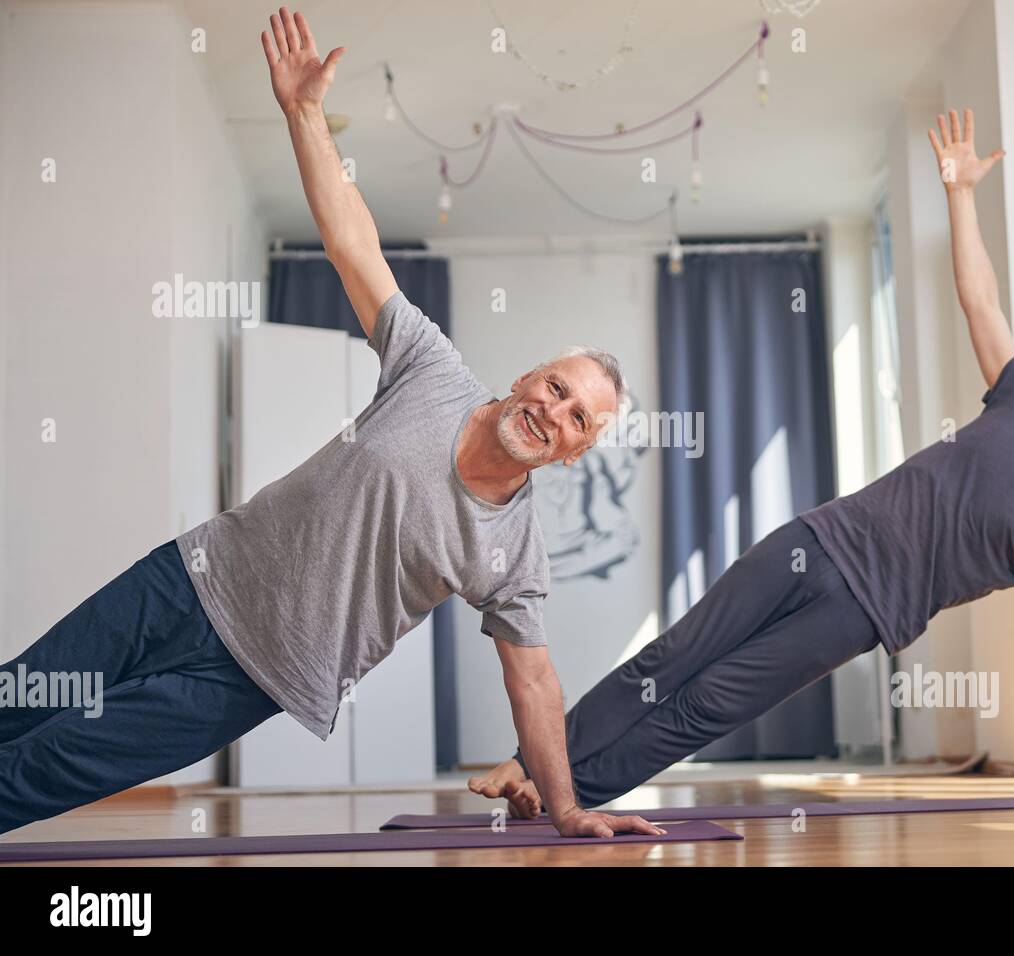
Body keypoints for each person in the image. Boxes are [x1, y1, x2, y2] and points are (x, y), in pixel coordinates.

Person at [0, 8, 662, 841]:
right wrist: (303, 114)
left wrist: (564, 806)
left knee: (53, 765)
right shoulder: (432, 370)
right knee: (19, 695)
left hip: (254, 677)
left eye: (577, 419)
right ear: (528, 373)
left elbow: (534, 683)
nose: (554, 411)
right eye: (557, 386)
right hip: (187, 579)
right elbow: (355, 245)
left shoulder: (515, 552)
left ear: (575, 452)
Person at [471, 107, 1014, 816]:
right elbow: (979, 299)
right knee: (673, 656)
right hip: (815, 540)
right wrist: (959, 193)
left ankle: (566, 794)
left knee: (710, 705)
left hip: (862, 612)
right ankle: (533, 763)